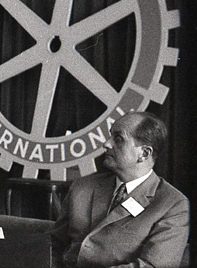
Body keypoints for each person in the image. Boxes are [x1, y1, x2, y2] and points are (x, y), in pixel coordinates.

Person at [51, 112, 189, 268]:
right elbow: (53, 246)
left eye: (118, 139)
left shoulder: (173, 204)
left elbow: (153, 266)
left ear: (144, 153)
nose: (106, 144)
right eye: (110, 136)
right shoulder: (83, 187)